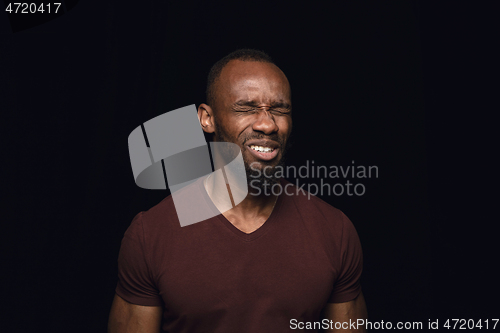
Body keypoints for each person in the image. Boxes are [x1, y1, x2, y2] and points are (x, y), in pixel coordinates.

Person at [108, 49, 367, 332]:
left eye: (279, 109)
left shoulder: (334, 231)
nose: (267, 124)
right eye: (246, 108)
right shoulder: (151, 233)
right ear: (207, 119)